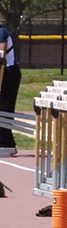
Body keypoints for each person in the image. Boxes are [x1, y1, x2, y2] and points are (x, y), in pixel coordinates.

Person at [0, 22, 22, 153]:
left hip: (8, 73)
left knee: (4, 107)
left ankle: (7, 144)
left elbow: (1, 55)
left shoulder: (1, 32)